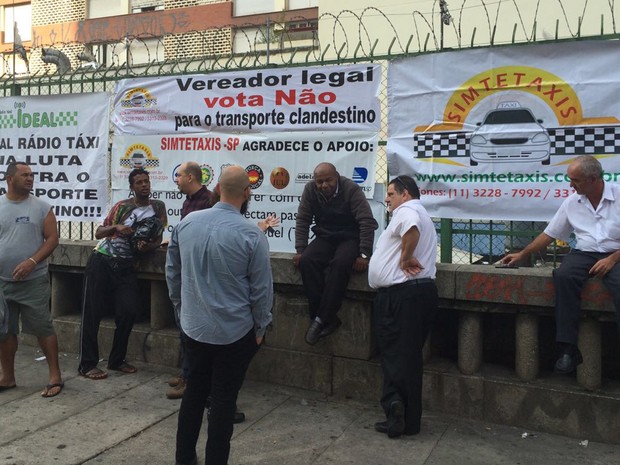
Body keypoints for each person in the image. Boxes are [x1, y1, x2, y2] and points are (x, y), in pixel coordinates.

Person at [166, 165, 273, 465]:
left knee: (194, 395)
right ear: (247, 192)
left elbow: (172, 273)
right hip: (235, 332)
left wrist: (180, 308)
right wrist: (261, 327)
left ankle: (184, 458)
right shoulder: (252, 235)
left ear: (216, 190)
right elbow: (262, 291)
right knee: (224, 402)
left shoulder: (187, 224)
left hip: (194, 327)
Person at [502, 155, 620, 374]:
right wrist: (523, 253)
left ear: (593, 179)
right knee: (563, 275)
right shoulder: (572, 202)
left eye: (575, 180)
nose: (571, 185)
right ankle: (568, 349)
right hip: (585, 252)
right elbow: (550, 234)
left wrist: (612, 259)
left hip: (616, 253)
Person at [78, 168, 167, 380]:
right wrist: (116, 226)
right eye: (139, 182)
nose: (144, 185)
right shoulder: (122, 207)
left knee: (128, 311)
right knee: (92, 314)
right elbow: (99, 232)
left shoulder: (158, 207)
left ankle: (116, 360)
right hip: (103, 260)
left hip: (127, 266)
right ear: (132, 187)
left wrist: (147, 247)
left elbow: (158, 237)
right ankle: (87, 364)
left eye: (146, 181)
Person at [368, 175, 438, 438]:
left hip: (402, 295)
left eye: (391, 193)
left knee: (395, 356)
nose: (387, 198)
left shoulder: (407, 210)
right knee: (405, 358)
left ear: (405, 193)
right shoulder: (418, 211)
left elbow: (411, 229)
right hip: (415, 294)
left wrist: (406, 257)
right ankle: (404, 415)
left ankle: (397, 409)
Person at [293, 162, 378, 345]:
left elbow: (366, 221)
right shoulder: (310, 190)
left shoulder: (351, 189)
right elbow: (303, 219)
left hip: (350, 236)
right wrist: (300, 250)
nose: (324, 185)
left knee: (340, 264)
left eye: (328, 180)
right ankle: (328, 319)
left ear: (337, 177)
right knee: (307, 261)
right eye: (320, 181)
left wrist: (364, 254)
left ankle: (318, 319)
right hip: (325, 235)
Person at [0, 161, 64, 397]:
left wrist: (31, 262)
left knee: (42, 327)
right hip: (2, 282)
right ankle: (7, 377)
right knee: (4, 331)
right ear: (9, 179)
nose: (30, 178)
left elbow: (51, 239)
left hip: (33, 281)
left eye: (31, 175)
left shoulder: (41, 208)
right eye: (24, 175)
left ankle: (55, 376)